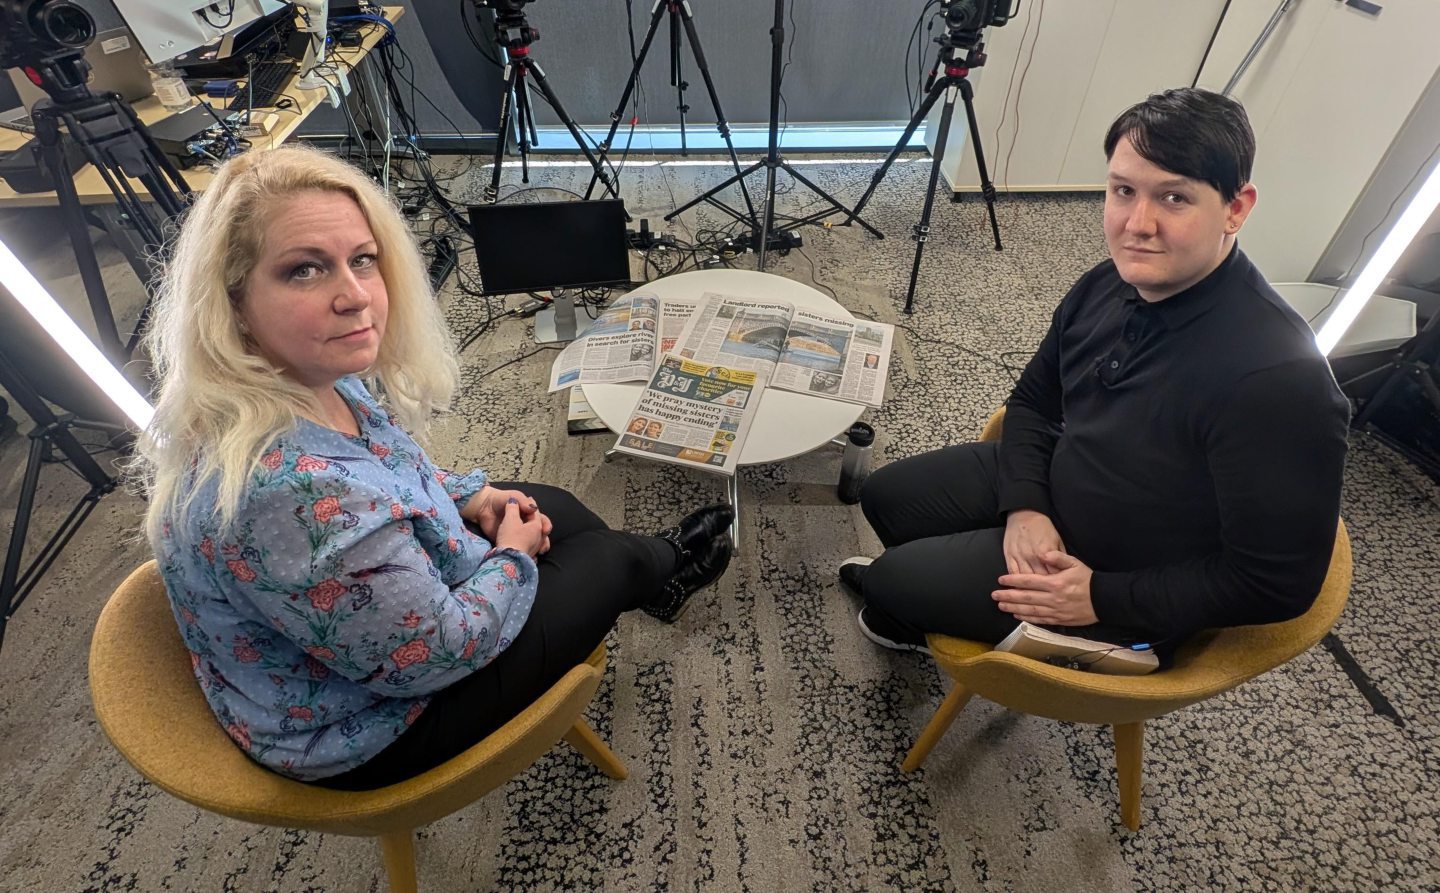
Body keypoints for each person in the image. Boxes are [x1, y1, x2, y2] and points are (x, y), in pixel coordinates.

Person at [133, 145, 734, 790]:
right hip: (373, 726)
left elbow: (383, 471)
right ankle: (661, 567)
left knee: (556, 503)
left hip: (370, 645)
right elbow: (435, 655)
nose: (356, 295)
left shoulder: (305, 376)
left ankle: (651, 579)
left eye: (363, 260)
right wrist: (514, 559)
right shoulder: (286, 491)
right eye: (305, 270)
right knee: (612, 561)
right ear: (233, 302)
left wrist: (472, 500)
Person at [842, 88, 1349, 660]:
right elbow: (1033, 401)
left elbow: (1277, 584)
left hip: (1119, 578)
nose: (1137, 224)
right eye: (1123, 190)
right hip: (1066, 482)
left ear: (1236, 208)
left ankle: (905, 604)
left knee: (890, 582)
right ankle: (921, 597)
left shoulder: (1279, 383)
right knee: (884, 497)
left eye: (1175, 198)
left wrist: (1101, 597)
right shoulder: (1108, 282)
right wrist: (1026, 508)